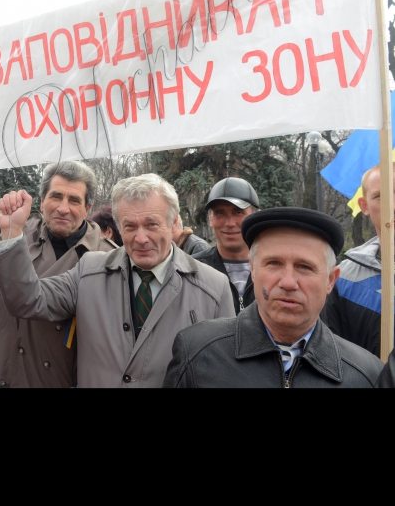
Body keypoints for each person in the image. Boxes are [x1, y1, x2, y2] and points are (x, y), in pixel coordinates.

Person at [0, 174, 235, 388]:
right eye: (130, 226)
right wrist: (11, 233)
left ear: (173, 224)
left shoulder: (214, 288)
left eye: (151, 225)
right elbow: (27, 300)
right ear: (118, 226)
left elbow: (225, 375)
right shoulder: (88, 271)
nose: (140, 238)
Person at [0, 107, 117, 389]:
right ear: (42, 202)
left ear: (88, 208)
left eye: (74, 200)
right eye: (55, 196)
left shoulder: (107, 257)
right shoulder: (16, 230)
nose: (63, 208)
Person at [164, 208, 384, 389]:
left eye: (304, 267)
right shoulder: (196, 354)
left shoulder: (366, 375)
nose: (288, 282)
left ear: (330, 280)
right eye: (274, 263)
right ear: (252, 269)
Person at [322, 165, 394, 357]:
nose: (393, 205)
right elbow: (331, 354)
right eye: (381, 196)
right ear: (364, 206)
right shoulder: (343, 277)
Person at [194, 178, 261, 314]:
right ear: (210, 219)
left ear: (254, 217)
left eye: (238, 212)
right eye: (220, 213)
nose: (230, 223)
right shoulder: (193, 270)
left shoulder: (275, 268)